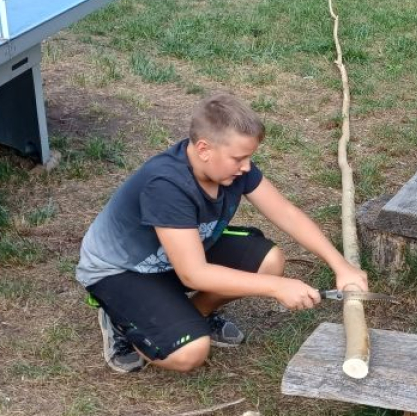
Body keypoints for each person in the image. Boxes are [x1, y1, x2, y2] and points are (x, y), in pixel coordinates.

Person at [76, 93, 368, 373]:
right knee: (190, 353)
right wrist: (278, 288)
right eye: (238, 158)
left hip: (174, 253)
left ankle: (191, 315)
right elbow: (194, 274)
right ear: (204, 149)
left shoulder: (230, 168)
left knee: (270, 262)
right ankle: (122, 321)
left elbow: (287, 214)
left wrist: (340, 265)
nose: (246, 167)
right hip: (123, 270)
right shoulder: (166, 185)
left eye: (249, 158)